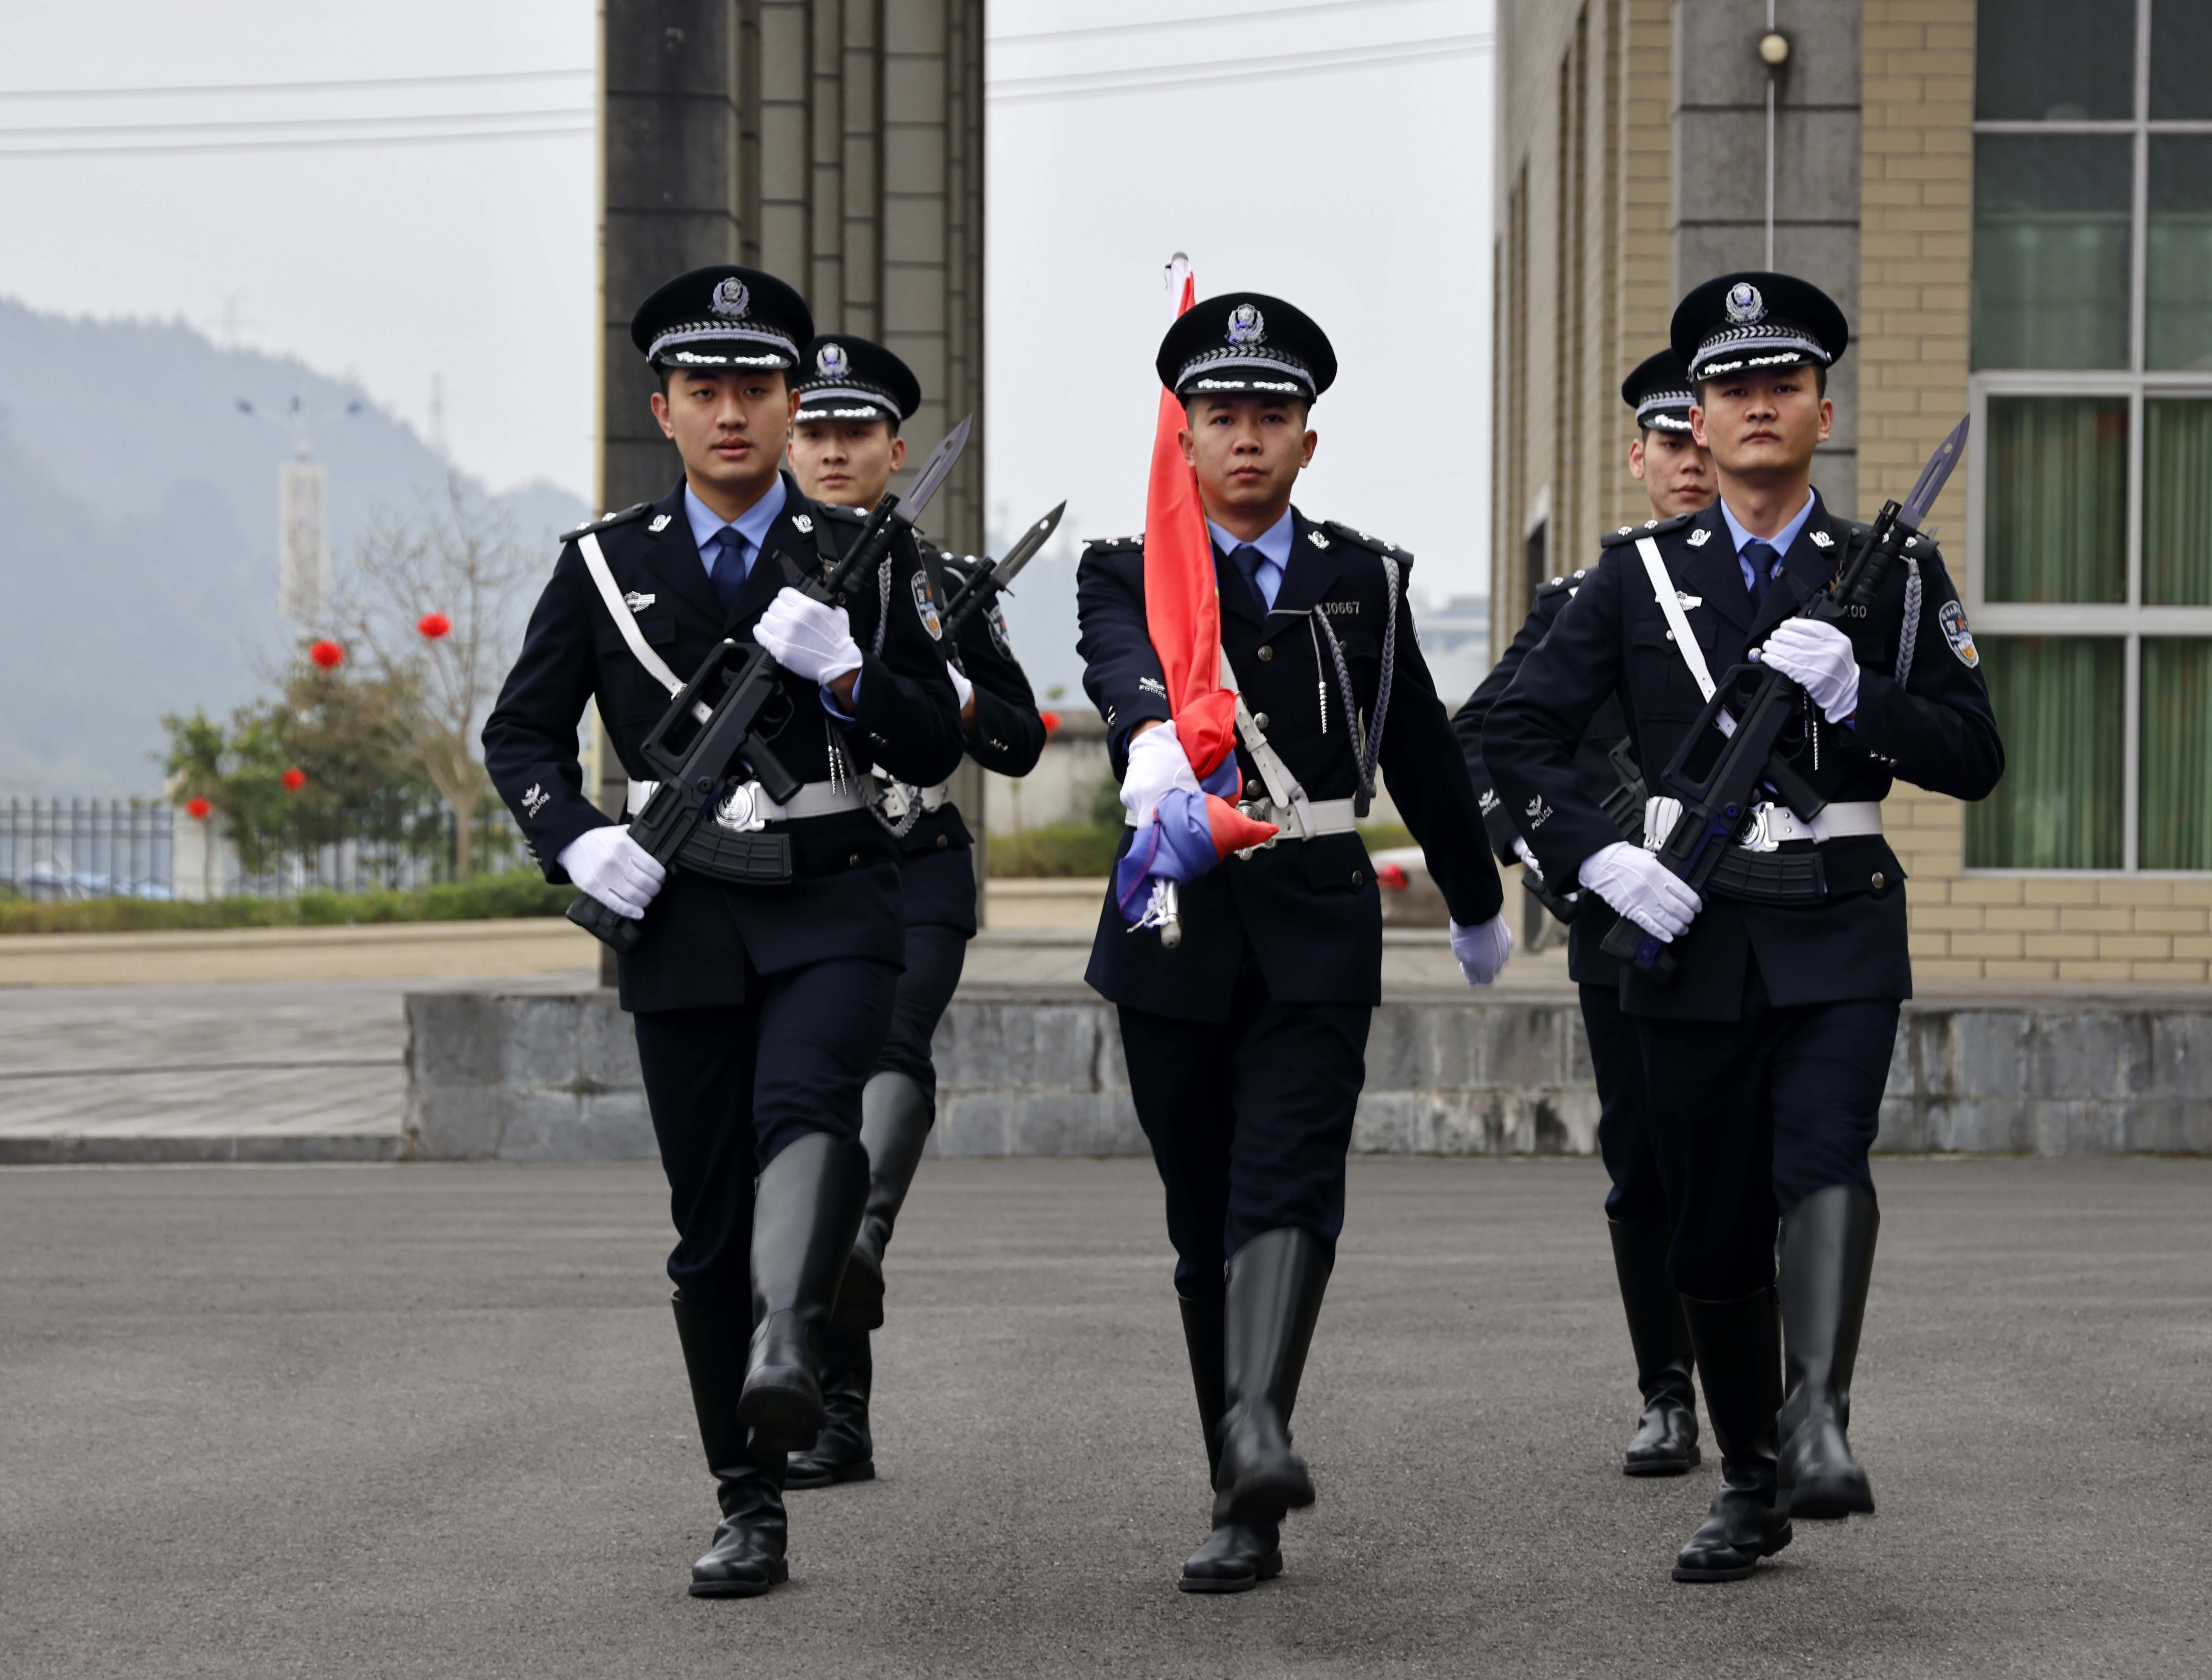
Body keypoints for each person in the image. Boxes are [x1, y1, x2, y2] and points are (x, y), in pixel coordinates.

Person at [1481, 273, 2002, 1583]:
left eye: (1784, 382)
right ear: (1695, 426)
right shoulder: (1634, 579)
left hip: (1837, 926)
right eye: (1730, 388)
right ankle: (1754, 1474)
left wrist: (1867, 694)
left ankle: (1819, 1416)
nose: (1759, 404)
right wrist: (1598, 858)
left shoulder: (1892, 573)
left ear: (1824, 408)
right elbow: (1512, 740)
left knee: (1823, 1159)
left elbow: (1976, 754)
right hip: (1690, 933)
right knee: (1709, 1223)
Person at [482, 265, 965, 1597]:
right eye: (708, 391)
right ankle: (748, 1498)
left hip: (832, 891)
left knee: (809, 1111)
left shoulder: (866, 555)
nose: (737, 414)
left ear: (792, 399)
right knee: (705, 1231)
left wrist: (854, 673)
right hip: (682, 911)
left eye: (760, 388)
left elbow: (940, 735)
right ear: (665, 408)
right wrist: (577, 838)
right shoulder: (601, 564)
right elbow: (519, 734)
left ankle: (795, 1334)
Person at [1075, 291, 1511, 1593]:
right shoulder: (1128, 566)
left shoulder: (1363, 577)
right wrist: (1152, 735)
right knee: (1203, 1219)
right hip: (1172, 913)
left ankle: (1253, 1454)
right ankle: (1240, 1451)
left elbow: (1422, 743)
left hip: (1315, 910)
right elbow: (1116, 664)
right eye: (1223, 417)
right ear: (1186, 438)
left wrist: (1477, 895)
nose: (1249, 438)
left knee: (1289, 1179)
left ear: (1308, 441)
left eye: (1273, 416)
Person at [777, 335, 1047, 1491]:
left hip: (915, 855)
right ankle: (842, 1409)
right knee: (803, 1117)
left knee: (890, 1047)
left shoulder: (941, 583)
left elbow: (1023, 739)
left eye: (858, 434)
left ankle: (863, 1236)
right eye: (817, 432)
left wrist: (957, 686)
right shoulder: (745, 572)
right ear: (791, 443)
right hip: (791, 864)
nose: (836, 451)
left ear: (897, 450)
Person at [1450, 347, 1719, 1482]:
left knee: (1755, 1158)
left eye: (1705, 440)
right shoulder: (1588, 596)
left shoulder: (1798, 581)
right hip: (1622, 932)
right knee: (1645, 1159)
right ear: (1639, 457)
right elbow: (1482, 740)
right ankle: (1667, 1390)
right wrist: (1560, 854)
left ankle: (1780, 1390)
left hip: (1763, 909)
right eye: (1671, 444)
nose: (1691, 463)